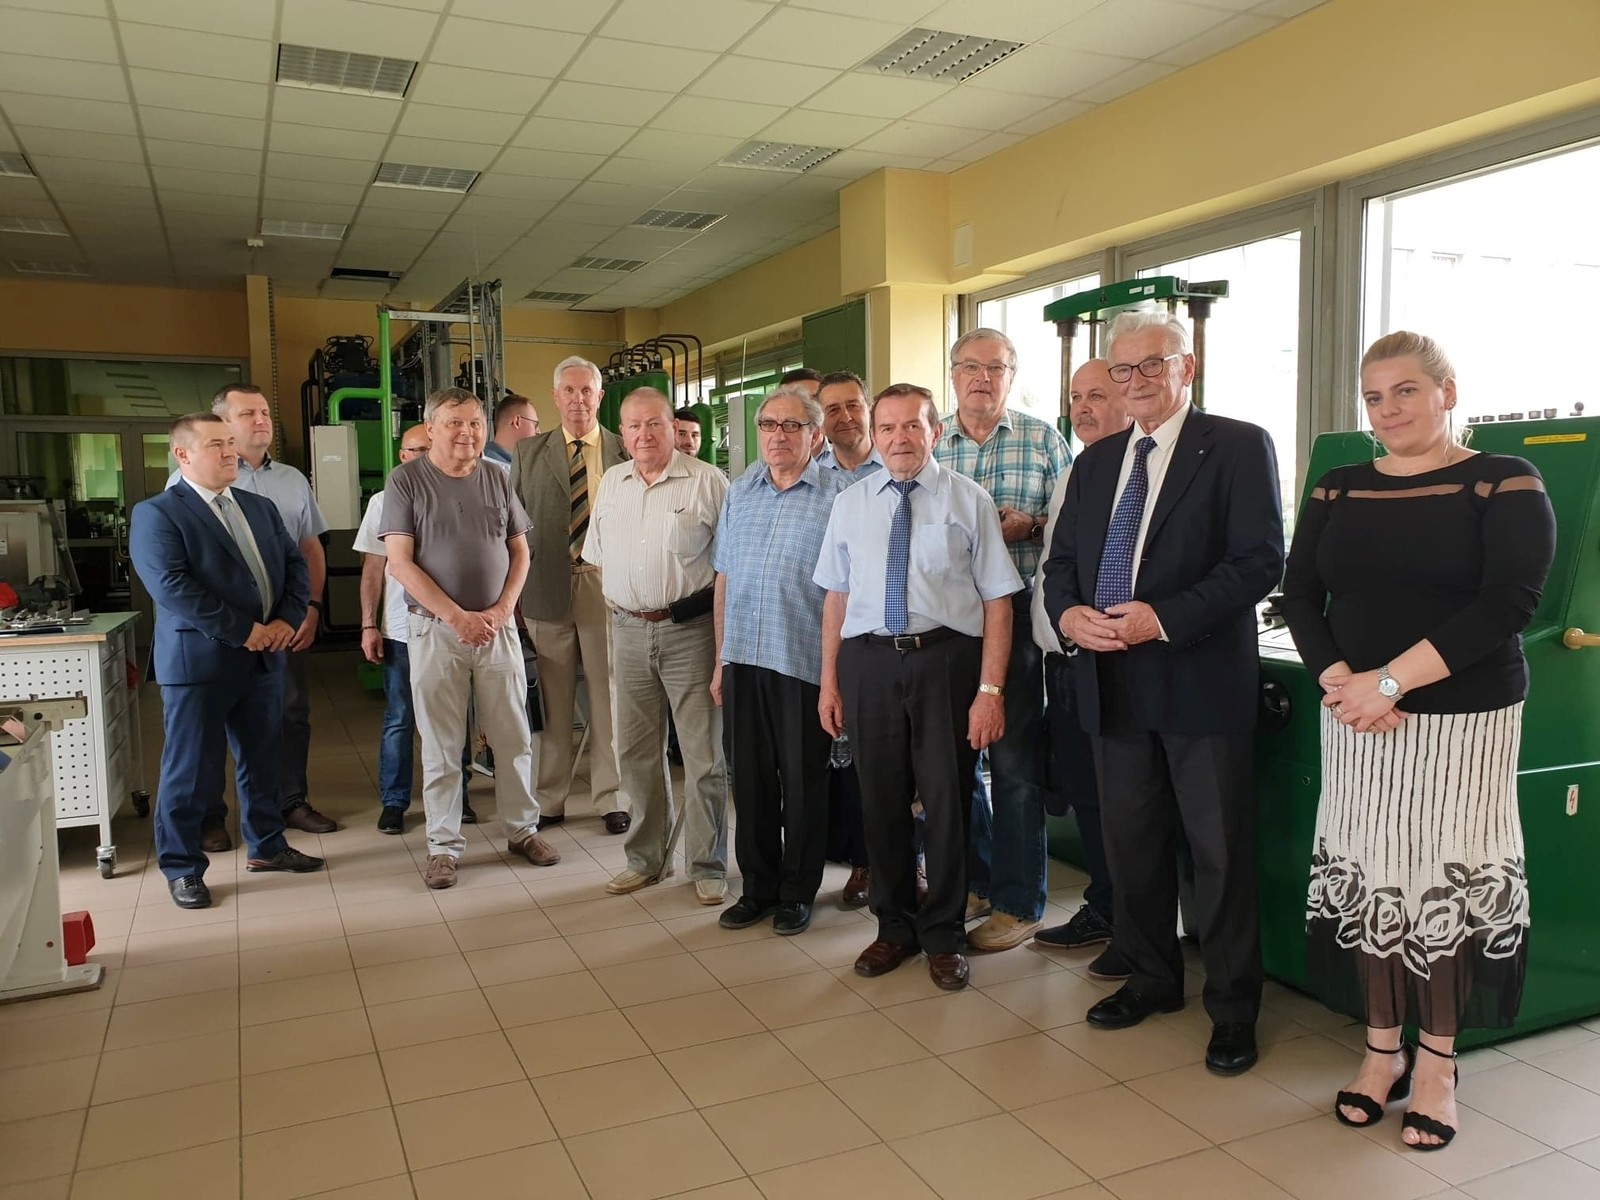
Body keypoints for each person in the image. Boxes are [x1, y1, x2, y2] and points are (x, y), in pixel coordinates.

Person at [1281, 332, 1555, 1149]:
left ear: (1447, 392)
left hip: (1462, 719)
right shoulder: (1339, 485)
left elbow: (1510, 602)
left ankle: (1437, 1063)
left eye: (1405, 391)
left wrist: (1391, 682)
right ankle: (1381, 1051)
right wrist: (1342, 681)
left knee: (1443, 881)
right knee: (1371, 872)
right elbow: (1299, 594)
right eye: (1374, 396)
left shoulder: (1502, 479)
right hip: (1355, 716)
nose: (1388, 410)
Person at [1043, 309, 1284, 1076]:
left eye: (1153, 364)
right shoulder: (1096, 463)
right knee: (1133, 845)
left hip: (1198, 681)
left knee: (1219, 855)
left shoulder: (1237, 445)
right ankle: (1151, 978)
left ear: (1188, 367)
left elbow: (1258, 561)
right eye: (1124, 368)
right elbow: (1060, 566)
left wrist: (1163, 618)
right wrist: (1068, 615)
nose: (1137, 380)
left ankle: (1234, 1010)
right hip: (1111, 680)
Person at [816, 383, 1021, 991]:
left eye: (913, 426)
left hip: (946, 663)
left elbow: (998, 602)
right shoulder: (850, 504)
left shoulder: (968, 499)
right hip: (869, 663)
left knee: (948, 802)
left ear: (935, 431)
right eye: (888, 428)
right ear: (874, 435)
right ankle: (894, 927)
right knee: (879, 802)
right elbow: (836, 597)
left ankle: (943, 934)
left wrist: (990, 692)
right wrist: (830, 682)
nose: (900, 438)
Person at [130, 413, 324, 910]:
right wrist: (246, 631)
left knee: (262, 760)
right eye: (216, 444)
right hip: (199, 663)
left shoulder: (258, 507)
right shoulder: (158, 513)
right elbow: (172, 587)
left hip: (264, 657)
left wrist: (284, 620)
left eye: (231, 443)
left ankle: (268, 846)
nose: (230, 452)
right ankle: (182, 867)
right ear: (182, 454)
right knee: (191, 770)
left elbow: (295, 567)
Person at [380, 387, 560, 889]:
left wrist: (501, 611)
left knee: (513, 736)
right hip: (435, 629)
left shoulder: (498, 478)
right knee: (441, 743)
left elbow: (520, 552)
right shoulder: (406, 481)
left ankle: (523, 830)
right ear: (431, 428)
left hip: (497, 630)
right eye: (454, 423)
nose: (467, 432)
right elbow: (400, 563)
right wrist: (457, 616)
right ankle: (443, 847)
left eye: (476, 423)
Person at [936, 329, 1071, 952]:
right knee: (953, 762)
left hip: (1014, 618)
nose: (982, 378)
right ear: (953, 374)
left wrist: (1031, 524)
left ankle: (1019, 903)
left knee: (1015, 762)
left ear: (1012, 376)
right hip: (946, 622)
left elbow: (1073, 528)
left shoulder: (1043, 440)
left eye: (996, 367)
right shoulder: (932, 440)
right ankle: (978, 880)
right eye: (971, 366)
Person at [172, 384, 338, 841]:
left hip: (284, 625)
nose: (261, 420)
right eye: (248, 414)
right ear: (223, 424)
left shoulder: (291, 480)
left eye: (264, 412)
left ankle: (288, 803)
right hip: (218, 634)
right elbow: (179, 574)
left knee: (288, 714)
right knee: (209, 728)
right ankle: (210, 818)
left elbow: (308, 549)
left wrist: (309, 609)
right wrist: (241, 628)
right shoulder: (187, 484)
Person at [712, 385, 849, 936]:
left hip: (804, 662)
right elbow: (724, 578)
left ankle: (797, 892)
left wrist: (835, 677)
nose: (778, 435)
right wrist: (720, 660)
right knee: (749, 782)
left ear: (815, 436)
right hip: (744, 658)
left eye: (793, 425)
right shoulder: (740, 491)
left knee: (804, 781)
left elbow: (846, 592)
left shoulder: (840, 496)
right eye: (769, 424)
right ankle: (757, 888)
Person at [585, 388, 731, 903]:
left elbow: (729, 570)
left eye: (654, 424)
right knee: (636, 752)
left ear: (673, 428)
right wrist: (631, 599)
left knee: (703, 756)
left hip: (691, 632)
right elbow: (599, 555)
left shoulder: (709, 482)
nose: (644, 434)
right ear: (622, 434)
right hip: (626, 630)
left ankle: (707, 864)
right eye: (633, 425)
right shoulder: (612, 484)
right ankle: (646, 860)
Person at [1030, 361, 1132, 979]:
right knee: (1088, 800)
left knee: (1125, 804)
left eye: (1098, 394)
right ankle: (1107, 907)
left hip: (1112, 667)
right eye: (1075, 397)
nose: (1083, 407)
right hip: (1062, 665)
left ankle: (1135, 924)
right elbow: (1059, 564)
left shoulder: (1139, 473)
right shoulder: (1075, 470)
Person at [510, 357, 631, 835]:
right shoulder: (528, 453)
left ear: (599, 397)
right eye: (569, 390)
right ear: (555, 397)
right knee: (553, 702)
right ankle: (550, 798)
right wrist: (513, 595)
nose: (578, 399)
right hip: (545, 588)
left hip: (606, 586)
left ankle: (612, 796)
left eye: (586, 391)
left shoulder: (624, 449)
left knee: (608, 696)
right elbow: (512, 528)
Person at [353, 424, 477, 833]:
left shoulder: (458, 492)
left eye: (428, 448)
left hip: (452, 624)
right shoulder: (383, 501)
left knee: (453, 715)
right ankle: (395, 801)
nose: (422, 456)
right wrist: (368, 624)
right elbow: (374, 569)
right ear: (402, 455)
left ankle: (458, 796)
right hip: (402, 629)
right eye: (414, 450)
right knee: (400, 717)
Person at [815, 369, 884, 906]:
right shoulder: (811, 475)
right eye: (831, 408)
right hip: (831, 631)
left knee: (899, 762)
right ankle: (862, 861)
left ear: (869, 407)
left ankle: (910, 863)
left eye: (852, 405)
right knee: (850, 759)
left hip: (892, 636)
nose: (844, 417)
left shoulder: (900, 463)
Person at [483, 393, 540, 470]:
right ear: (517, 422)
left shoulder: (517, 466)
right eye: (535, 425)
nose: (539, 432)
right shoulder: (488, 468)